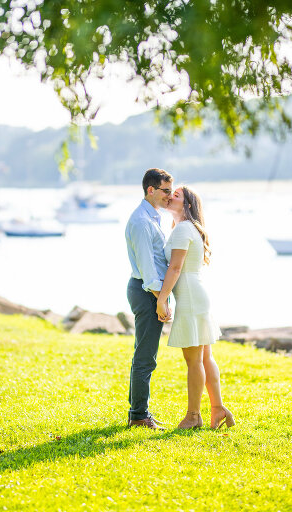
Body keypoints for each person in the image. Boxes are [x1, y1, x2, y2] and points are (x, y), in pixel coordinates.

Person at [156, 186, 235, 430]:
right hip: (198, 295)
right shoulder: (190, 228)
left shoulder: (182, 229)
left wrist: (162, 299)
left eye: (176, 195)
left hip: (190, 297)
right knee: (205, 357)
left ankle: (193, 416)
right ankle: (218, 409)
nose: (170, 197)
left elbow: (175, 268)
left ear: (187, 205)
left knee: (194, 361)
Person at [125, 168, 174, 430]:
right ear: (151, 190)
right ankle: (139, 416)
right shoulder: (143, 221)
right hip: (146, 292)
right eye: (166, 191)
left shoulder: (152, 217)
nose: (170, 196)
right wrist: (161, 300)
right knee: (146, 357)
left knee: (143, 355)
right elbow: (148, 269)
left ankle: (137, 412)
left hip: (146, 290)